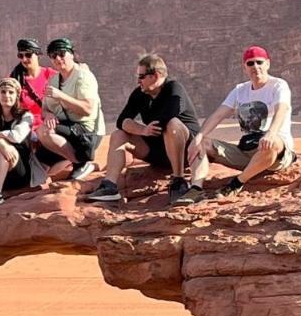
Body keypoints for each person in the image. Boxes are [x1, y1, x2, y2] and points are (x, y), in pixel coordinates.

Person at [84, 53, 210, 205]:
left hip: (185, 152)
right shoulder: (140, 93)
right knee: (119, 135)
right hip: (158, 151)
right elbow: (122, 121)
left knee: (172, 124)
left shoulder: (174, 88)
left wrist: (148, 128)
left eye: (142, 76)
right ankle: (110, 186)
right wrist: (142, 130)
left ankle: (178, 181)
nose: (138, 81)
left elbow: (170, 114)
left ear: (155, 76)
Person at [188, 45, 296, 196]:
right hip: (247, 151)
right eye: (250, 63)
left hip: (275, 153)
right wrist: (198, 137)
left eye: (259, 62)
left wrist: (271, 133)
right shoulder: (240, 90)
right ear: (244, 67)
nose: (255, 67)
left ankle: (237, 183)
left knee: (271, 144)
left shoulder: (278, 85)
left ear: (268, 64)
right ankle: (195, 189)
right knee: (202, 143)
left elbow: (281, 109)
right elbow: (218, 115)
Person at [36, 37, 105, 181]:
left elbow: (87, 109)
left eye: (62, 54)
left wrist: (61, 96)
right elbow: (44, 109)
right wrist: (48, 115)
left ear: (71, 54)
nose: (58, 59)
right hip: (66, 129)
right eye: (54, 56)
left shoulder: (83, 76)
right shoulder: (54, 80)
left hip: (87, 132)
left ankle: (81, 163)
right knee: (38, 162)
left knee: (44, 132)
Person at [0, 78, 42, 206]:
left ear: (17, 95)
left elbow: (16, 136)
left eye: (11, 92)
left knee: (0, 147)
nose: (7, 96)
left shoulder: (26, 116)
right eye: (3, 92)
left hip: (19, 171)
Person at [8, 38, 56, 136]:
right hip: (25, 127)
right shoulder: (14, 80)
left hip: (50, 123)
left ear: (38, 55)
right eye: (21, 56)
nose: (24, 59)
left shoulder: (51, 75)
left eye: (28, 55)